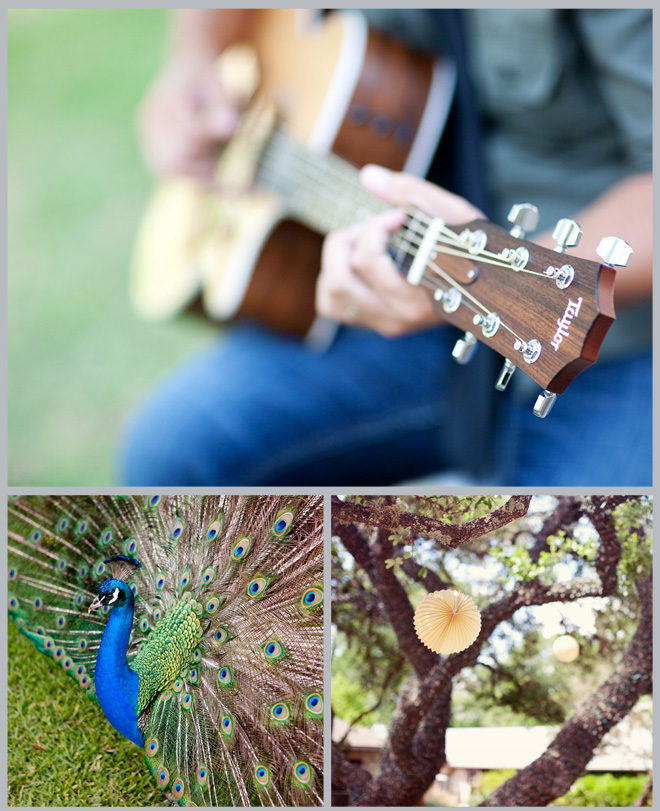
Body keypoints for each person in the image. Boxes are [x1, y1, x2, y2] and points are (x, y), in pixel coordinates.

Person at [120, 9, 651, 486]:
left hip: (605, 328)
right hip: (394, 276)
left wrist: (498, 282)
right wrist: (195, 57)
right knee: (171, 452)